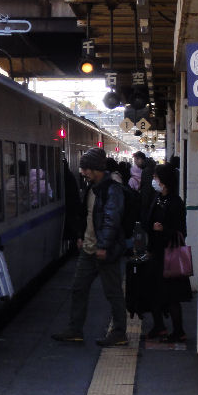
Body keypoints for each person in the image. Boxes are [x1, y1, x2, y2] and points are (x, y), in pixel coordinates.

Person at [52, 147, 129, 347]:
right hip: (88, 249)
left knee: (113, 292)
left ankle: (119, 332)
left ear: (95, 169)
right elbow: (86, 215)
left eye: (85, 169)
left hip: (105, 251)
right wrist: (80, 236)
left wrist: (103, 246)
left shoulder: (111, 190)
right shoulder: (92, 188)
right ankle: (74, 329)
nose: (83, 172)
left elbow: (111, 220)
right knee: (78, 288)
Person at [142, 163, 191, 342]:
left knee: (171, 295)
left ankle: (179, 331)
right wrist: (151, 229)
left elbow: (181, 231)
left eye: (156, 177)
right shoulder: (157, 198)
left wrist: (164, 230)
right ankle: (159, 326)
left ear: (164, 181)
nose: (154, 180)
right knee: (153, 291)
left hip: (170, 255)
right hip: (156, 253)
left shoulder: (176, 202)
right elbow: (148, 221)